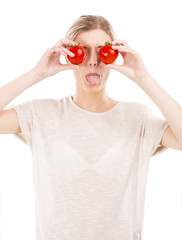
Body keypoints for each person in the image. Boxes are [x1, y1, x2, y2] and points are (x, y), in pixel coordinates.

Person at [0, 14, 182, 240]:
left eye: (102, 51)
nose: (93, 61)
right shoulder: (40, 114)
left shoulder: (138, 119)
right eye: (83, 51)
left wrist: (143, 77)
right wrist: (37, 73)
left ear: (114, 56)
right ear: (69, 56)